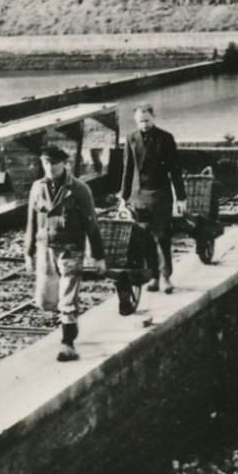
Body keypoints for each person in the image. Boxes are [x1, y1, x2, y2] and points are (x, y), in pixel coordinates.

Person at [24, 145, 105, 362]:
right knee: (46, 300)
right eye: (46, 163)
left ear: (64, 164)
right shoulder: (37, 188)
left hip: (71, 248)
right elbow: (32, 222)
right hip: (45, 247)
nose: (50, 167)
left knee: (67, 298)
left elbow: (92, 225)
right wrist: (28, 251)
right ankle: (69, 327)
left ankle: (67, 343)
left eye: (55, 163)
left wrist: (98, 255)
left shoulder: (79, 189)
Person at [120, 103, 187, 294]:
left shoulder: (165, 138)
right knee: (145, 238)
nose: (144, 124)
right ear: (136, 120)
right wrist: (124, 196)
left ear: (153, 118)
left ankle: (166, 276)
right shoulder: (131, 138)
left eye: (147, 120)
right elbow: (127, 169)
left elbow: (175, 170)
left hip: (160, 195)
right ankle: (154, 277)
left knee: (162, 235)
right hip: (138, 196)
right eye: (141, 121)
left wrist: (181, 197)